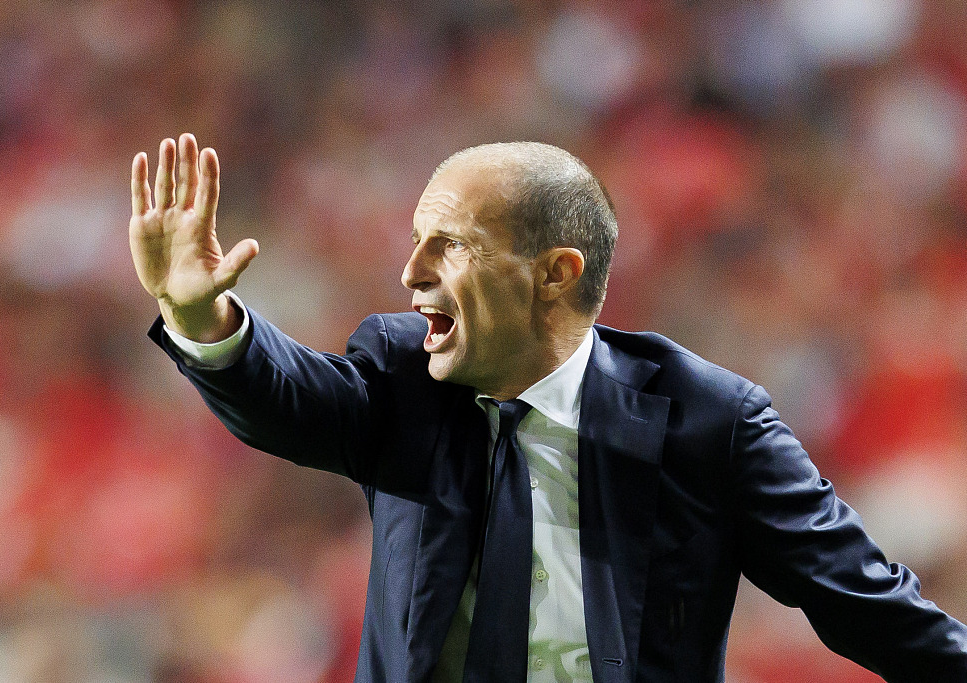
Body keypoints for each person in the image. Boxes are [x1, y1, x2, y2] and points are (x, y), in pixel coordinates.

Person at [129, 134, 967, 682]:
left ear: (555, 272)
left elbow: (869, 605)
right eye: (416, 239)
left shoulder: (707, 419)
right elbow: (288, 399)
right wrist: (200, 316)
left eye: (449, 244)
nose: (411, 270)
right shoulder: (403, 374)